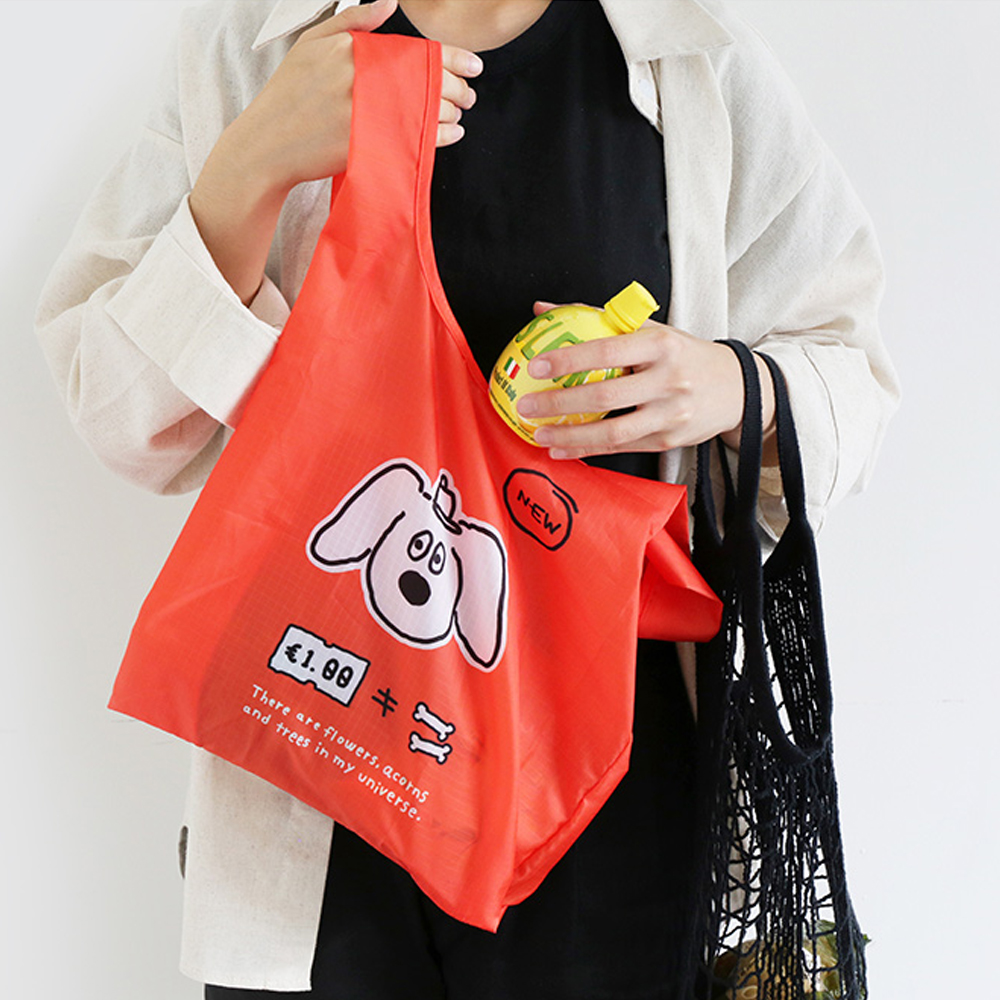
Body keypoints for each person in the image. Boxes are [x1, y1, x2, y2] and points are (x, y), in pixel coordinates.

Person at [35, 0, 899, 997]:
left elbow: (855, 381)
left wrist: (731, 386)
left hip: (605, 788)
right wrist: (249, 166)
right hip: (319, 746)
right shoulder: (262, 45)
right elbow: (118, 415)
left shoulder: (693, 63)